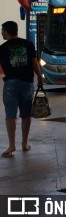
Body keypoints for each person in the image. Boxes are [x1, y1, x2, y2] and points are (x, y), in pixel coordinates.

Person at [0, 21, 44, 157]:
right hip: (26, 84)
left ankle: (11, 145)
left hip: (10, 86)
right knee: (26, 114)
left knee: (10, 115)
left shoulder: (2, 48)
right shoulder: (28, 44)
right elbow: (34, 63)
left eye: (2, 30)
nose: (1, 33)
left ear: (7, 32)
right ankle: (24, 143)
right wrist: (40, 78)